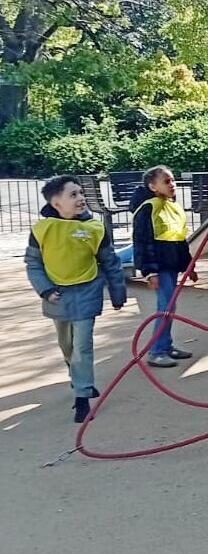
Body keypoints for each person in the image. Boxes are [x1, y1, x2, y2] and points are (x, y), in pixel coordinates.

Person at [24, 175, 127, 422]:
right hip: (57, 295)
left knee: (82, 345)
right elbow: (33, 263)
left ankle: (82, 396)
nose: (81, 198)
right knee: (67, 344)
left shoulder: (94, 229)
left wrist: (117, 292)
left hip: (88, 291)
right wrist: (46, 290)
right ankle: (77, 375)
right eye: (73, 195)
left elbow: (110, 262)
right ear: (56, 203)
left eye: (81, 193)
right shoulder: (42, 230)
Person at [130, 166, 197, 368]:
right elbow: (142, 242)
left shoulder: (172, 207)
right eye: (166, 181)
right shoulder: (148, 208)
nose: (172, 185)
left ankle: (166, 346)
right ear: (153, 186)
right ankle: (157, 351)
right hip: (160, 266)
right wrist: (149, 271)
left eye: (173, 180)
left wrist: (188, 265)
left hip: (172, 263)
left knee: (170, 306)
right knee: (165, 307)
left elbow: (179, 238)